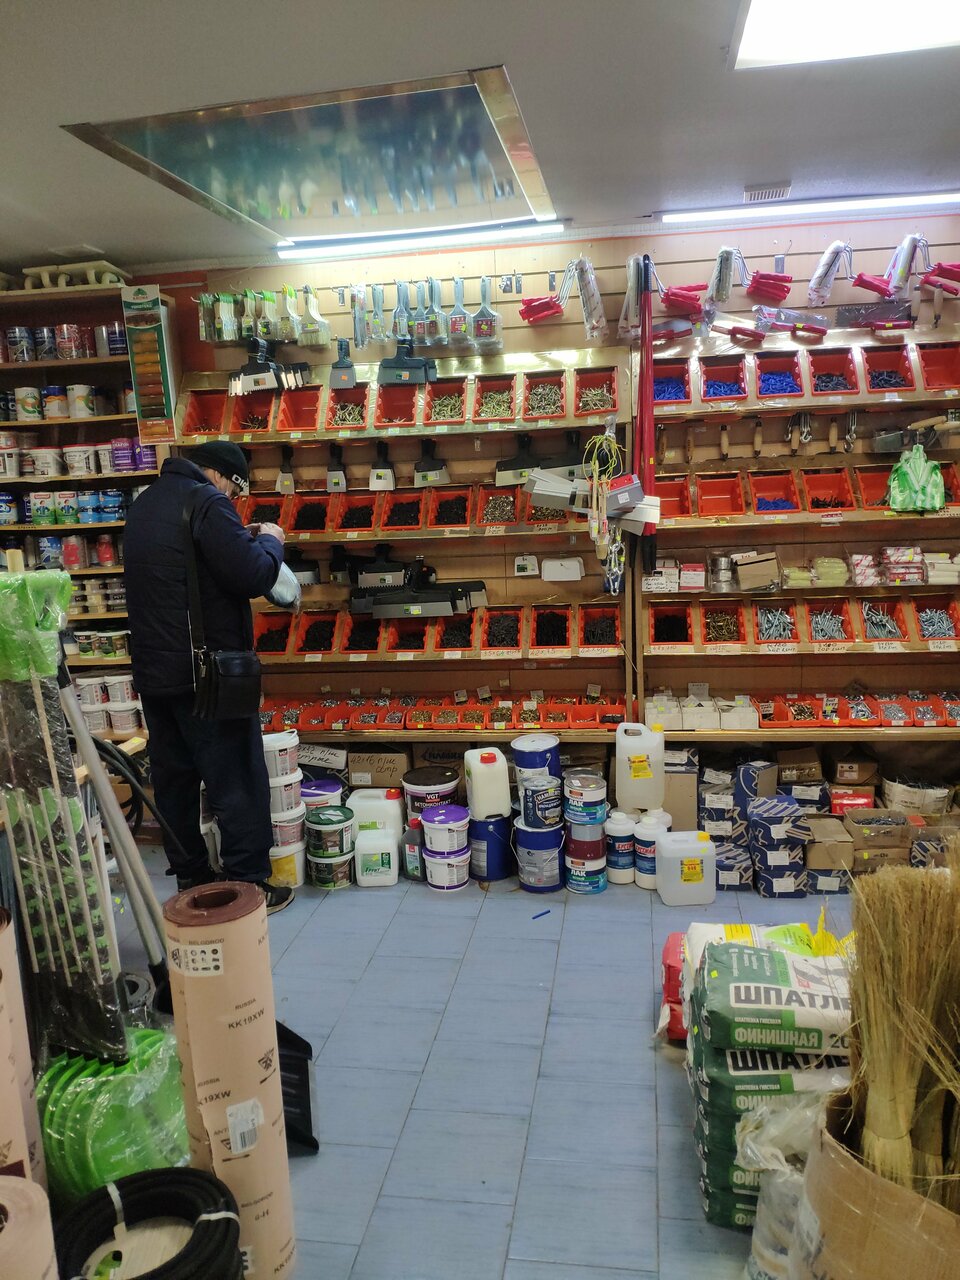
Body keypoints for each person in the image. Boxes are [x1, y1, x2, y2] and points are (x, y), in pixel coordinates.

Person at [124, 442, 294, 913]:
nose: (233, 500)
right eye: (236, 490)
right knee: (236, 780)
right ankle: (247, 886)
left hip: (156, 674)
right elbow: (255, 575)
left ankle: (192, 880)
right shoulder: (206, 502)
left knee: (175, 783)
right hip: (209, 678)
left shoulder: (143, 506)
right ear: (220, 475)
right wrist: (270, 540)